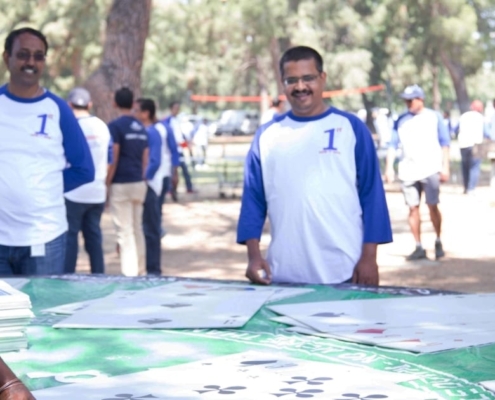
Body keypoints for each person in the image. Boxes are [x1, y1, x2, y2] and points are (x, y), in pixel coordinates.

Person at [237, 45, 392, 286]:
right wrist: (254, 256)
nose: (300, 87)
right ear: (282, 83)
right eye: (292, 80)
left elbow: (372, 196)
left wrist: (369, 258)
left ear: (323, 78)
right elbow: (253, 201)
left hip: (345, 270)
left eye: (308, 78)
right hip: (283, 274)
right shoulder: (267, 135)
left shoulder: (351, 128)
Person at [0, 27, 94, 276]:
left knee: (42, 313)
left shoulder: (58, 109)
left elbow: (84, 170)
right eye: (23, 54)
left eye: (38, 56)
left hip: (44, 236)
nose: (31, 62)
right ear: (6, 57)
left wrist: (44, 188)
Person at [385, 84, 450, 261]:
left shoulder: (433, 117)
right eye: (405, 100)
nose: (408, 103)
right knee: (413, 208)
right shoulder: (401, 120)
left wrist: (445, 167)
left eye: (411, 99)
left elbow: (445, 143)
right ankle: (418, 245)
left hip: (430, 168)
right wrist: (389, 167)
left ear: (420, 99)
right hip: (408, 170)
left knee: (432, 206)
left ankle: (437, 240)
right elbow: (392, 144)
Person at [64, 87, 113, 274]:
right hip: (97, 192)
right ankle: (99, 275)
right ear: (90, 104)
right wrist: (105, 184)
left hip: (74, 193)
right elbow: (110, 160)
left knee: (70, 238)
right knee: (94, 237)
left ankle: (67, 277)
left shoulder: (70, 127)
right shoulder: (102, 126)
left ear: (69, 105)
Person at [106, 87, 148, 276]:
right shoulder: (141, 126)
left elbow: (113, 156)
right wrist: (142, 176)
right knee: (137, 229)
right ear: (132, 104)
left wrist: (107, 182)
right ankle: (141, 271)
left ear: (115, 103)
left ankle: (130, 276)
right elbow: (146, 156)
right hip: (139, 182)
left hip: (121, 184)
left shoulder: (115, 126)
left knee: (125, 232)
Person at [134, 98, 164, 275]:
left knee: (152, 229)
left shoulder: (152, 133)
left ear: (146, 113)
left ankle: (154, 270)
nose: (134, 114)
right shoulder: (141, 131)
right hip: (140, 184)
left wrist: (145, 178)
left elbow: (155, 160)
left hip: (150, 186)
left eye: (137, 110)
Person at [163, 101, 193, 200]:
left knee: (182, 170)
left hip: (178, 150)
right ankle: (171, 189)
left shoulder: (177, 121)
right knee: (173, 172)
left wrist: (185, 144)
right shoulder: (168, 121)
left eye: (178, 108)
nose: (177, 110)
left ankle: (186, 187)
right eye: (175, 108)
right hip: (172, 151)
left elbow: (180, 137)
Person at [457, 100, 488, 195]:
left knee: (465, 166)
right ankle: (471, 188)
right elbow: (486, 132)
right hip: (476, 144)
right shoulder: (481, 118)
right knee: (474, 167)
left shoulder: (463, 116)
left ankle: (466, 187)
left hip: (463, 144)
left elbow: (455, 129)